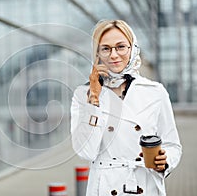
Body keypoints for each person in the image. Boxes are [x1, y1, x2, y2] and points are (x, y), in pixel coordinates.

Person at [70, 20, 182, 196]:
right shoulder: (82, 95)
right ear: (97, 54)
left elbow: (172, 145)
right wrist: (94, 99)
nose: (114, 55)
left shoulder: (155, 91)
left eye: (121, 47)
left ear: (132, 48)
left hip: (145, 184)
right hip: (105, 187)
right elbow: (86, 151)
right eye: (106, 48)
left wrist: (164, 160)